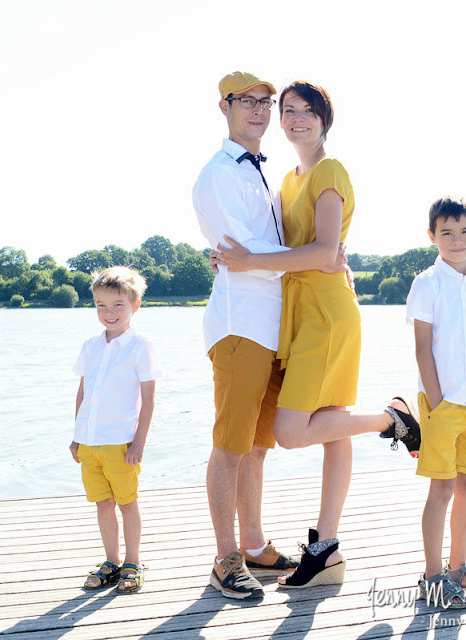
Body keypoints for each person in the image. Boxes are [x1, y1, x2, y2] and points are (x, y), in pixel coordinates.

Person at [215, 80, 421, 590]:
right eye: (287, 110)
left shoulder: (330, 170)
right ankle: (326, 547)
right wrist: (234, 259)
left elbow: (327, 251)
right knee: (332, 423)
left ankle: (390, 418)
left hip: (326, 314)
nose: (295, 118)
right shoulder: (286, 180)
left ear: (325, 119)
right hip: (298, 312)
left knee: (290, 431)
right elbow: (291, 245)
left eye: (307, 111)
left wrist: (251, 261)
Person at [192, 71, 303, 600]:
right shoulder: (217, 175)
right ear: (224, 107)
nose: (260, 110)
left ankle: (256, 549)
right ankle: (224, 558)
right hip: (239, 326)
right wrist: (314, 260)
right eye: (247, 101)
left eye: (267, 101)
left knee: (258, 446)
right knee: (230, 447)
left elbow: (261, 253)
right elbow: (245, 257)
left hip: (271, 324)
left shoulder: (262, 171)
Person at [406, 196, 466, 607]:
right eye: (446, 232)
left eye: (464, 231)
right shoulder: (426, 283)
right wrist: (438, 401)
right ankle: (431, 577)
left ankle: (458, 570)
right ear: (432, 237)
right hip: (443, 404)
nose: (456, 239)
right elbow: (423, 348)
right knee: (441, 488)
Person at [70, 266, 162, 594]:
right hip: (91, 443)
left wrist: (139, 443)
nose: (109, 313)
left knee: (127, 503)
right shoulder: (91, 346)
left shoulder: (141, 346)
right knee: (102, 504)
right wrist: (78, 436)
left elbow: (148, 401)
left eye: (118, 305)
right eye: (101, 305)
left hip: (121, 444)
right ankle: (111, 561)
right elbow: (84, 392)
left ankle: (132, 562)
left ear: (135, 305)